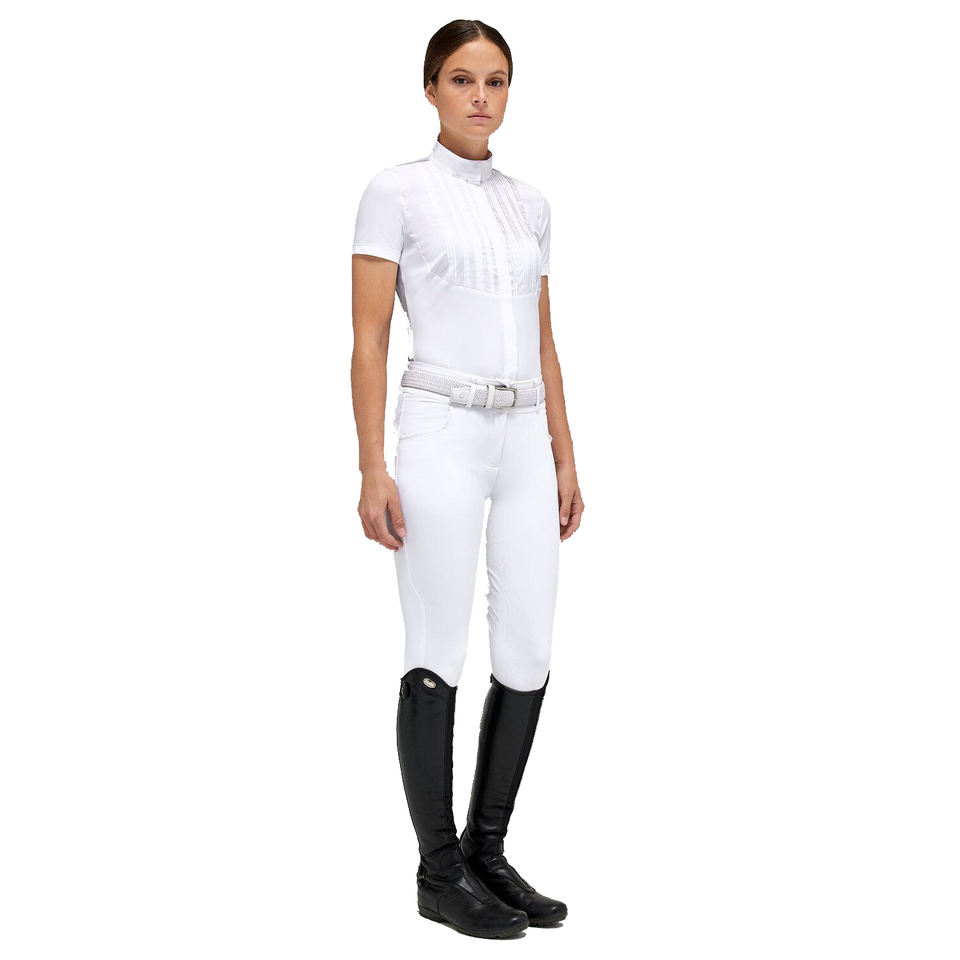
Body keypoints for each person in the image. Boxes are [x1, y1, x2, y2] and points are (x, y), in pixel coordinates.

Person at [351, 20, 584, 939]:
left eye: (495, 80)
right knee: (436, 643)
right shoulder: (395, 192)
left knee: (527, 645)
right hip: (440, 424)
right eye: (460, 78)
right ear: (431, 89)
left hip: (524, 429)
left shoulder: (531, 204)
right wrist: (371, 465)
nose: (479, 96)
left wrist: (565, 451)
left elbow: (545, 338)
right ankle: (437, 869)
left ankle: (489, 851)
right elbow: (369, 339)